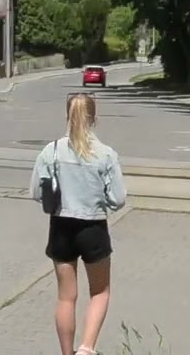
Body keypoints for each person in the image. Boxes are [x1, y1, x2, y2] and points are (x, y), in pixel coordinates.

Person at [29, 93, 128, 355]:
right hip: (93, 228)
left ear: (67, 115)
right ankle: (86, 348)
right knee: (100, 291)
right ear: (95, 118)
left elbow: (37, 193)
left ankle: (66, 353)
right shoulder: (106, 154)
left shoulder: (50, 151)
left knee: (65, 297)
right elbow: (118, 199)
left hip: (61, 227)